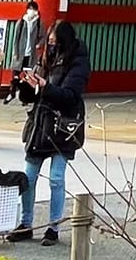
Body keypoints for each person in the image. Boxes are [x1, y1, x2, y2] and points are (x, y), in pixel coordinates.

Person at [11, 20, 90, 246]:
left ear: (64, 41)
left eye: (55, 42)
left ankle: (53, 226)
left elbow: (70, 95)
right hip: (40, 122)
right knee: (29, 177)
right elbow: (35, 95)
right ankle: (26, 223)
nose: (51, 46)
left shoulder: (78, 60)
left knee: (56, 178)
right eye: (50, 42)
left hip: (63, 125)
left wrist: (45, 86)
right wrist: (26, 86)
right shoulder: (46, 58)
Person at [3, 0, 43, 102]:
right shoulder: (21, 22)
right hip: (20, 54)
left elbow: (43, 36)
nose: (32, 11)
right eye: (30, 9)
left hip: (31, 55)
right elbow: (16, 39)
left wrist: (39, 44)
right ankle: (11, 93)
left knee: (29, 77)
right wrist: (15, 53)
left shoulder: (39, 23)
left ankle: (26, 97)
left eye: (33, 9)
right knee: (15, 76)